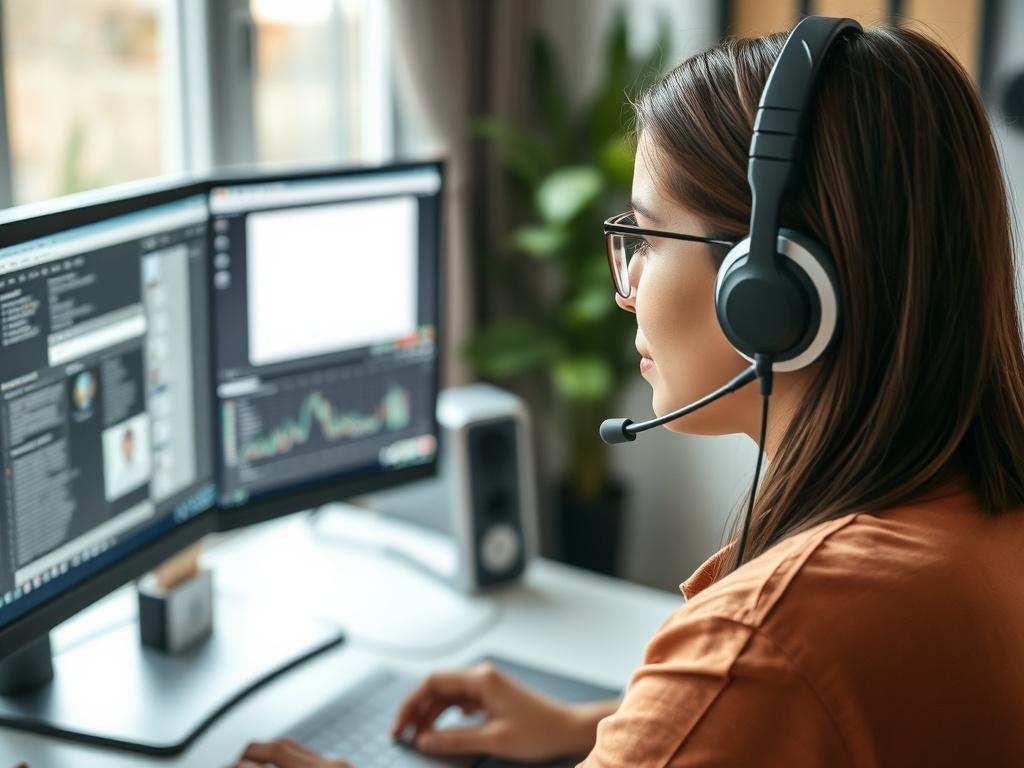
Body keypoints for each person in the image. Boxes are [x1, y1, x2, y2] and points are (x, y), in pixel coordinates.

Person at [235, 20, 1024, 768]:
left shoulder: (774, 637)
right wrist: (602, 723)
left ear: (770, 291)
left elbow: (774, 680)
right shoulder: (973, 524)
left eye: (647, 238)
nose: (628, 288)